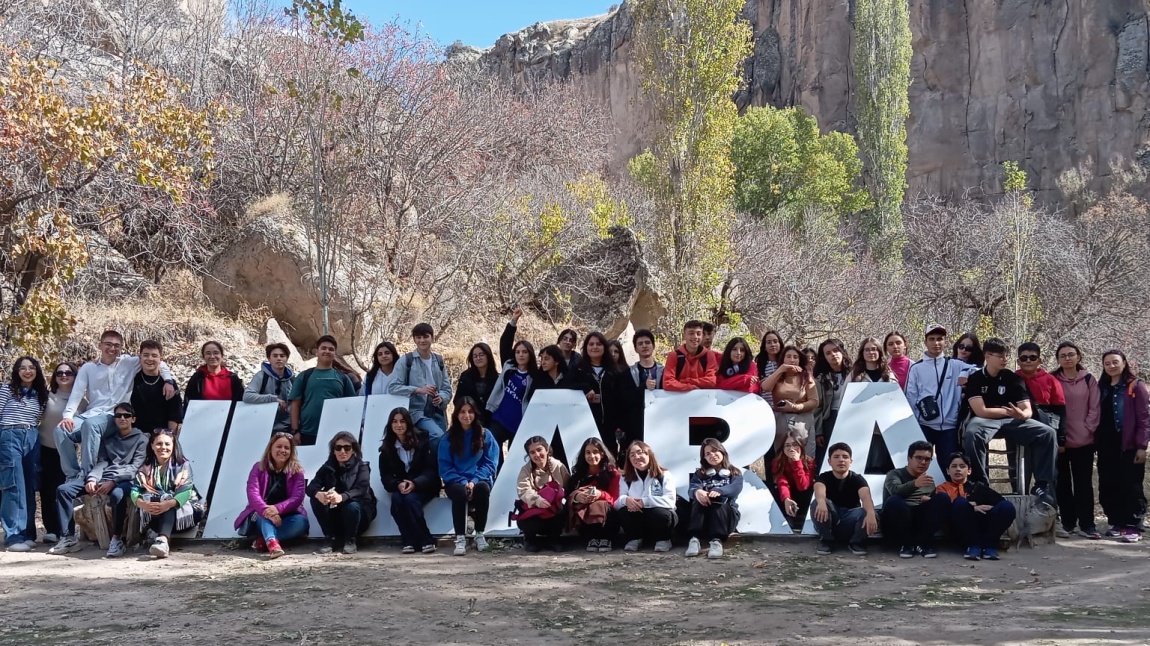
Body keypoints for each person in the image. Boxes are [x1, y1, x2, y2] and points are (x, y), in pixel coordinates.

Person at [57, 329, 175, 481]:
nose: (112, 348)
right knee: (60, 431)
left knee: (91, 425)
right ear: (100, 345)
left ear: (121, 347)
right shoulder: (88, 368)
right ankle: (72, 475)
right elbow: (77, 393)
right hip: (92, 413)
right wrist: (68, 416)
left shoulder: (129, 363)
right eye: (108, 344)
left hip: (115, 416)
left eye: (116, 345)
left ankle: (86, 475)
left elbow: (159, 362)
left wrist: (168, 380)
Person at [962, 337, 1058, 511]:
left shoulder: (1013, 378)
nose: (1004, 359)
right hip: (986, 420)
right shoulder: (975, 378)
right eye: (999, 356)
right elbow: (981, 411)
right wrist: (1008, 411)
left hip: (1013, 420)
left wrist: (1022, 414)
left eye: (1006, 355)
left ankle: (1043, 485)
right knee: (972, 432)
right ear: (987, 356)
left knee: (1047, 432)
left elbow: (1026, 410)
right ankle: (980, 482)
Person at [50, 402, 147, 556]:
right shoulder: (107, 439)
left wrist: (114, 481)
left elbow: (135, 467)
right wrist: (92, 479)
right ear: (113, 419)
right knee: (64, 490)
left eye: (126, 416)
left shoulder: (142, 439)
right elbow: (102, 461)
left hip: (125, 480)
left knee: (117, 495)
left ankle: (116, 540)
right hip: (103, 477)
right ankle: (68, 537)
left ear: (133, 419)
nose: (122, 418)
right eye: (118, 416)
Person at [1096, 349, 1149, 542]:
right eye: (1107, 363)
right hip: (1105, 444)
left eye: (1115, 362)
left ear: (1124, 362)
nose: (1111, 366)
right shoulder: (1101, 386)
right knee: (1108, 484)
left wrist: (1142, 446)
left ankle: (1133, 525)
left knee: (1131, 485)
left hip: (1129, 444)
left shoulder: (1136, 386)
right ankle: (1116, 522)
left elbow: (1144, 418)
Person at [906, 324, 975, 467]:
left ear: (945, 342)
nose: (936, 343)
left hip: (949, 427)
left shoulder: (956, 365)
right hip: (925, 425)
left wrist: (965, 373)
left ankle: (946, 490)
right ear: (925, 342)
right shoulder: (916, 368)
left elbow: (980, 370)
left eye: (940, 339)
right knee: (922, 467)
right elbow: (910, 397)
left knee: (948, 467)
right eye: (932, 339)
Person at [1052, 341, 1101, 539]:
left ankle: (1087, 524)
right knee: (1062, 483)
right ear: (1058, 359)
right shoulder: (1053, 378)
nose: (1067, 358)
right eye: (1063, 355)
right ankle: (1068, 522)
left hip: (1084, 441)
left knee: (1083, 483)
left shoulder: (1088, 379)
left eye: (1071, 354)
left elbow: (1095, 407)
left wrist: (1088, 429)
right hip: (1060, 441)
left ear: (1078, 356)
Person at [438, 397, 499, 556]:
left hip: (479, 479)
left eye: (470, 411)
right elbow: (445, 467)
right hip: (455, 480)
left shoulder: (485, 435)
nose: (467, 415)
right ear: (456, 414)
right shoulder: (447, 438)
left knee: (483, 489)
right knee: (459, 493)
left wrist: (474, 481)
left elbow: (490, 463)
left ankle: (479, 534)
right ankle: (460, 538)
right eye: (463, 412)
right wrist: (464, 481)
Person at [235, 432, 309, 559]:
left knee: (301, 522)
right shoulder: (258, 467)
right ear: (271, 448)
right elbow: (253, 494)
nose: (283, 450)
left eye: (287, 448)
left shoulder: (297, 471)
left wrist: (277, 509)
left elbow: (297, 497)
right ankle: (272, 542)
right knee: (265, 517)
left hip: (287, 517)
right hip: (262, 514)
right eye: (279, 446)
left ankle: (263, 541)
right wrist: (268, 511)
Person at [0, 357, 48, 551]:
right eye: (22, 368)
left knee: (29, 484)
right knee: (13, 484)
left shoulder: (40, 394)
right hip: (10, 434)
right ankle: (13, 535)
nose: (27, 371)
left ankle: (28, 533)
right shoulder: (6, 389)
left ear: (37, 371)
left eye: (31, 368)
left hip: (32, 436)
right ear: (16, 371)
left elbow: (40, 417)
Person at [133, 429, 203, 559]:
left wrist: (166, 504)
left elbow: (186, 492)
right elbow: (135, 490)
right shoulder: (145, 468)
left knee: (167, 499)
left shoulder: (183, 466)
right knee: (154, 499)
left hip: (187, 515)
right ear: (152, 446)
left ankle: (163, 541)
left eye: (167, 444)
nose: (163, 447)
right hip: (155, 517)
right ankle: (159, 538)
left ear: (173, 446)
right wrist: (143, 504)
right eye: (159, 444)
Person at [378, 407, 439, 554]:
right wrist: (397, 484)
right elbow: (385, 477)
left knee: (410, 501)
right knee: (397, 502)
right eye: (394, 422)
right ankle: (408, 540)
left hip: (424, 486)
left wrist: (415, 483)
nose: (398, 425)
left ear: (408, 423)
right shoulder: (386, 449)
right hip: (402, 487)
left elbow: (431, 470)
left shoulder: (423, 441)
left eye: (402, 421)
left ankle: (426, 540)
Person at [306, 430, 377, 554]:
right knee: (316, 500)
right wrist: (319, 494)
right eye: (338, 448)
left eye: (347, 448)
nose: (342, 451)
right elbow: (311, 486)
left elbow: (361, 489)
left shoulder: (362, 466)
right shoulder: (327, 467)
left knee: (352, 505)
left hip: (359, 516)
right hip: (336, 516)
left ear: (353, 449)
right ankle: (330, 538)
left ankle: (350, 540)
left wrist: (342, 497)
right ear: (333, 450)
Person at [936, 452, 1016, 560]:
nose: (958, 469)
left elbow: (999, 503)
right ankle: (973, 546)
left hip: (984, 527)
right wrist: (971, 507)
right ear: (947, 471)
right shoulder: (942, 489)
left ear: (969, 471)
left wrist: (982, 506)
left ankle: (989, 546)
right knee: (960, 503)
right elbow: (945, 510)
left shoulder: (978, 487)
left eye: (962, 466)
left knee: (1007, 507)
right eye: (954, 466)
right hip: (960, 531)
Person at [389, 323, 452, 453]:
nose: (422, 340)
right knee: (438, 437)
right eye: (418, 337)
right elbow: (393, 387)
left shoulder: (439, 361)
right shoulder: (406, 360)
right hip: (417, 412)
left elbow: (447, 388)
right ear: (414, 340)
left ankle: (436, 471)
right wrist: (417, 390)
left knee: (446, 441)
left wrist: (442, 398)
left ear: (432, 338)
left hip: (438, 411)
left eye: (425, 337)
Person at [881, 440, 950, 558]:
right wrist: (915, 484)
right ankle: (907, 544)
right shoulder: (894, 474)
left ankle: (922, 543)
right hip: (896, 522)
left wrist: (928, 501)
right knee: (895, 501)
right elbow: (895, 491)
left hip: (918, 522)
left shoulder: (928, 481)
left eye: (927, 459)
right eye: (918, 458)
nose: (923, 462)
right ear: (909, 458)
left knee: (943, 498)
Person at [39, 361, 82, 544]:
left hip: (66, 451)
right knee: (46, 490)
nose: (64, 376)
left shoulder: (82, 401)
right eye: (59, 373)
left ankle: (66, 530)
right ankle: (52, 530)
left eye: (68, 373)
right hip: (44, 448)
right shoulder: (46, 397)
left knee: (63, 490)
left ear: (75, 376)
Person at [1014, 342, 1066, 492]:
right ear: (1018, 361)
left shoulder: (1050, 380)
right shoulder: (1011, 378)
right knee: (1019, 470)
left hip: (1045, 430)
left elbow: (1061, 410)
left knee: (1047, 471)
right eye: (1024, 358)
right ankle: (1019, 503)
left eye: (1032, 357)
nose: (1028, 361)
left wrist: (1061, 438)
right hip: (1019, 428)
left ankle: (1047, 504)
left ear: (1039, 360)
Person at [574, 331, 636, 454]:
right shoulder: (578, 369)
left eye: (598, 344)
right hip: (584, 425)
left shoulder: (617, 371)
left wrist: (622, 425)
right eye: (591, 344)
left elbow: (626, 398)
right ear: (586, 348)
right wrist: (585, 387)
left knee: (610, 460)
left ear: (604, 348)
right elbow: (568, 385)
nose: (594, 347)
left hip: (611, 427)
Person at [811, 442, 878, 556]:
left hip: (849, 520)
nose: (841, 460)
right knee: (817, 502)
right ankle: (826, 541)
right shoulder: (824, 477)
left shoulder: (858, 479)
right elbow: (819, 490)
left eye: (845, 457)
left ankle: (856, 543)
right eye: (836, 457)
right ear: (829, 461)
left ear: (850, 461)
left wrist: (871, 513)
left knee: (867, 511)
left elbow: (866, 497)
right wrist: (821, 501)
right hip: (830, 519)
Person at [487, 309, 536, 463]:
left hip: (519, 423)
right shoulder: (509, 366)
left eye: (524, 352)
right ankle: (494, 480)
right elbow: (505, 343)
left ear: (530, 354)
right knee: (492, 447)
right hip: (499, 418)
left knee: (515, 459)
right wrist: (512, 323)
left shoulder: (535, 376)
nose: (521, 355)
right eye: (518, 352)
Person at [290, 335, 358, 446]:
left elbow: (351, 406)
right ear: (317, 351)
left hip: (335, 433)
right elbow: (295, 404)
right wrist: (295, 431)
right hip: (307, 432)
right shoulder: (304, 376)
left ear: (335, 354)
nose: (327, 351)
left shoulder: (343, 378)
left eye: (331, 349)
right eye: (324, 348)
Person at [684, 438, 743, 558]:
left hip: (726, 519)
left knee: (717, 501)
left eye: (715, 450)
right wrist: (697, 491)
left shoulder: (735, 473)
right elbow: (691, 489)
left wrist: (719, 491)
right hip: (705, 519)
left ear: (722, 451)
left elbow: (735, 488)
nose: (712, 455)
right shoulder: (700, 474)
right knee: (699, 499)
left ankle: (717, 541)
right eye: (707, 453)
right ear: (704, 458)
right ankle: (694, 539)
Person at [615, 441, 677, 552]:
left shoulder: (664, 475)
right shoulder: (625, 478)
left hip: (659, 519)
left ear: (649, 454)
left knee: (659, 513)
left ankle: (663, 539)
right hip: (639, 520)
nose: (636, 457)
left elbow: (670, 501)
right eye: (632, 455)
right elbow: (616, 504)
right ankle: (635, 539)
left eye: (640, 453)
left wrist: (645, 502)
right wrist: (626, 500)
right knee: (624, 511)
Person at [760, 346, 818, 455]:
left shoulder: (806, 377)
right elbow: (765, 387)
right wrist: (781, 369)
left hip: (803, 421)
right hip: (781, 421)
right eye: (788, 356)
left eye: (795, 357)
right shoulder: (777, 376)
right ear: (783, 359)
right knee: (782, 458)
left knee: (806, 458)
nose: (792, 360)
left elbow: (814, 401)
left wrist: (795, 407)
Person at [515, 435, 570, 552]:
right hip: (535, 508)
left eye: (539, 450)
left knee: (563, 510)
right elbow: (523, 490)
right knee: (529, 521)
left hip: (553, 509)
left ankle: (553, 539)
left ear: (546, 449)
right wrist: (537, 500)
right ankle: (530, 540)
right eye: (532, 452)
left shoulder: (558, 466)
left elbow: (568, 485)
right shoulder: (525, 470)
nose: (537, 455)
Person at [566, 437, 621, 552]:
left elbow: (615, 499)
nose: (591, 456)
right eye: (588, 453)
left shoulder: (612, 474)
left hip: (607, 519)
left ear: (602, 453)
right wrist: (576, 497)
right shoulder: (578, 476)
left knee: (604, 506)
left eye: (595, 452)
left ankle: (607, 538)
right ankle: (591, 538)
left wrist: (600, 494)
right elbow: (568, 496)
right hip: (585, 520)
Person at [131, 340, 184, 435]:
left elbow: (175, 414)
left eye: (154, 356)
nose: (150, 359)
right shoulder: (132, 380)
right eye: (146, 355)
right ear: (140, 357)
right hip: (137, 434)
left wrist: (170, 437)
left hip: (161, 434)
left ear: (161, 359)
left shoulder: (169, 384)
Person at [243, 342, 296, 433]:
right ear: (269, 358)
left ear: (287, 359)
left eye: (282, 356)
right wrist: (273, 399)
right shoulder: (261, 376)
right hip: (264, 426)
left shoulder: (292, 379)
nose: (279, 358)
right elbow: (247, 396)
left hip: (287, 428)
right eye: (275, 356)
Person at [813, 338, 851, 460]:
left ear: (842, 352)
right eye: (828, 353)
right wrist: (818, 431)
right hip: (830, 419)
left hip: (852, 417)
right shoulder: (821, 378)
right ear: (824, 357)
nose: (833, 355)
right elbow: (817, 407)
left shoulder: (855, 374)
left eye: (835, 350)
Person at [773, 428, 815, 530]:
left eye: (795, 444)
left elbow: (803, 486)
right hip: (788, 493)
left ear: (801, 447)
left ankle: (803, 517)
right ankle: (787, 517)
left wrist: (797, 462)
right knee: (775, 489)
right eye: (787, 445)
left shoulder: (809, 462)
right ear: (783, 448)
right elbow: (781, 482)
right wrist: (786, 498)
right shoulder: (777, 462)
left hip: (803, 494)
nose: (791, 448)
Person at [628, 329, 663, 447]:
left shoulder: (665, 371)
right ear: (635, 348)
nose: (644, 346)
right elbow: (625, 398)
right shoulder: (628, 372)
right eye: (640, 343)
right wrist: (644, 387)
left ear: (653, 346)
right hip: (636, 425)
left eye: (647, 342)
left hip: (660, 421)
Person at [183, 340, 244, 405]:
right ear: (203, 357)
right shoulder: (197, 378)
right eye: (208, 353)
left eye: (216, 353)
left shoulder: (233, 378)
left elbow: (240, 403)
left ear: (222, 356)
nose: (212, 356)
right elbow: (189, 404)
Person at [663, 320, 718, 392]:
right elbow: (667, 383)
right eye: (691, 333)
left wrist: (685, 381)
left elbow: (712, 381)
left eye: (698, 334)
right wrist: (689, 387)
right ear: (684, 336)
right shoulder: (674, 356)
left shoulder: (709, 355)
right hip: (678, 400)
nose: (695, 337)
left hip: (703, 399)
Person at [454, 342, 497, 425]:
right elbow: (458, 399)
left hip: (491, 421)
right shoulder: (466, 376)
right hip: (469, 420)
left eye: (481, 355)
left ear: (488, 356)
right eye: (475, 356)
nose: (478, 358)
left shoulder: (497, 378)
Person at [755, 330, 785, 405]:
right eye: (768, 342)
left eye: (775, 341)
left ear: (780, 344)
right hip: (765, 405)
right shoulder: (759, 365)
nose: (772, 344)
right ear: (764, 347)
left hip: (784, 406)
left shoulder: (785, 363)